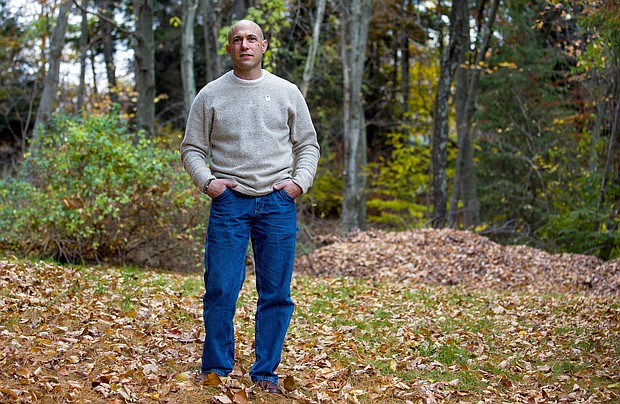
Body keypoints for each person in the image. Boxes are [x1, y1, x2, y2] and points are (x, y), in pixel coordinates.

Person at [180, 19, 320, 395]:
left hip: (277, 202)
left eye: (252, 39)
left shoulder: (287, 91)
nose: (245, 45)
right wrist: (209, 184)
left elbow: (307, 145)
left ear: (264, 46)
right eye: (237, 40)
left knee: (276, 292)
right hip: (229, 202)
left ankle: (265, 373)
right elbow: (191, 149)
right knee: (221, 287)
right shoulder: (210, 95)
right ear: (229, 48)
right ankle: (216, 367)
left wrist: (297, 184)